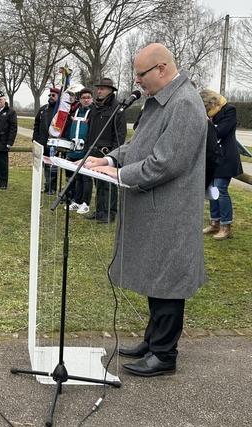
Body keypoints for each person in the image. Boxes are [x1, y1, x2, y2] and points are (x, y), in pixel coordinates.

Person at [85, 43, 207, 377]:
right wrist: (109, 159)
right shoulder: (159, 103)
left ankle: (165, 354)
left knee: (168, 282)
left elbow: (166, 163)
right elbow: (139, 146)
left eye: (141, 74)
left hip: (172, 212)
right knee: (157, 277)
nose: (137, 81)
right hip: (156, 209)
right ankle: (153, 341)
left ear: (162, 69)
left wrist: (120, 174)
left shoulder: (184, 104)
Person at [199, 89, 243, 240]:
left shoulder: (229, 110)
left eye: (205, 107)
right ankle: (215, 223)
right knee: (212, 190)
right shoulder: (209, 116)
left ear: (211, 102)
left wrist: (206, 123)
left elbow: (221, 131)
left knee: (221, 189)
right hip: (213, 158)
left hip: (226, 158)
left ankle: (226, 226)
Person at [85, 77, 127, 223]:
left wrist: (114, 156)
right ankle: (99, 210)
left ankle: (110, 212)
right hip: (94, 151)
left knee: (109, 184)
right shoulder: (95, 108)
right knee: (98, 183)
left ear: (110, 91)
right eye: (98, 88)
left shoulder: (118, 108)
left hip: (108, 152)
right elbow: (91, 130)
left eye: (102, 88)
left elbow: (120, 135)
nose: (99, 91)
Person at [64, 87, 94, 214]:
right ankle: (76, 200)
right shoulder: (75, 111)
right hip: (74, 149)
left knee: (86, 178)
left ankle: (85, 203)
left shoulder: (93, 113)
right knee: (76, 177)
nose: (86, 100)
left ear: (92, 99)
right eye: (83, 98)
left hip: (86, 150)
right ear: (80, 99)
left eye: (88, 98)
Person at [33, 87, 60, 194]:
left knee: (52, 166)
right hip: (42, 142)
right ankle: (47, 186)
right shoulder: (43, 109)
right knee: (45, 166)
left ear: (58, 97)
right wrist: (35, 139)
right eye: (50, 95)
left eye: (53, 95)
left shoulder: (60, 111)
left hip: (54, 143)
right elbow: (36, 125)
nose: (51, 97)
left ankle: (52, 188)